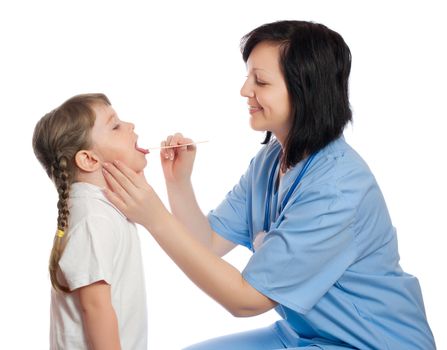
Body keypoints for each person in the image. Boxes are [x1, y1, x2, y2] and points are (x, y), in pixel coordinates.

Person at [102, 21, 436, 349]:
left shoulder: (337, 190)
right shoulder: (271, 159)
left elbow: (246, 301)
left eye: (260, 81)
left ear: (306, 90)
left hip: (370, 342)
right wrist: (178, 183)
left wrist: (154, 218)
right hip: (303, 335)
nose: (245, 91)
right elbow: (207, 243)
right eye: (248, 77)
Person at [32, 93, 149, 350]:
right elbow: (95, 307)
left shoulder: (102, 209)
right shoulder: (93, 218)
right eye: (115, 126)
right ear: (89, 159)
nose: (130, 126)